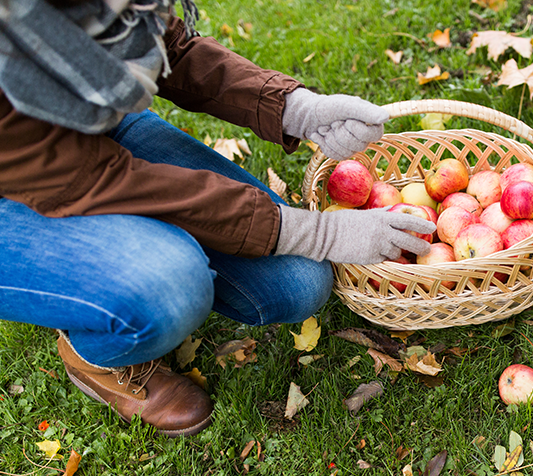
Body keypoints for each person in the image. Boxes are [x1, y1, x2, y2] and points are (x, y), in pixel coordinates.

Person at [0, 0, 434, 437]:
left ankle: (124, 261)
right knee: (171, 287)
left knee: (298, 282)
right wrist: (314, 233)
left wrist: (294, 109)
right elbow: (98, 179)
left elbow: (171, 48)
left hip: (93, 131)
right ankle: (97, 355)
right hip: (20, 179)